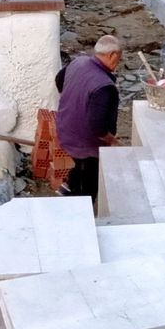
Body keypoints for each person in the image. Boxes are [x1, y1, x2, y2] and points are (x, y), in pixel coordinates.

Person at [54, 34, 123, 206]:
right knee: (88, 183)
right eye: (119, 59)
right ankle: (77, 208)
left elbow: (59, 80)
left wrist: (75, 98)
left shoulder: (79, 62)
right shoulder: (104, 86)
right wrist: (112, 141)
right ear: (112, 55)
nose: (118, 63)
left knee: (79, 166)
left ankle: (69, 187)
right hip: (84, 143)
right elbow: (98, 128)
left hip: (65, 128)